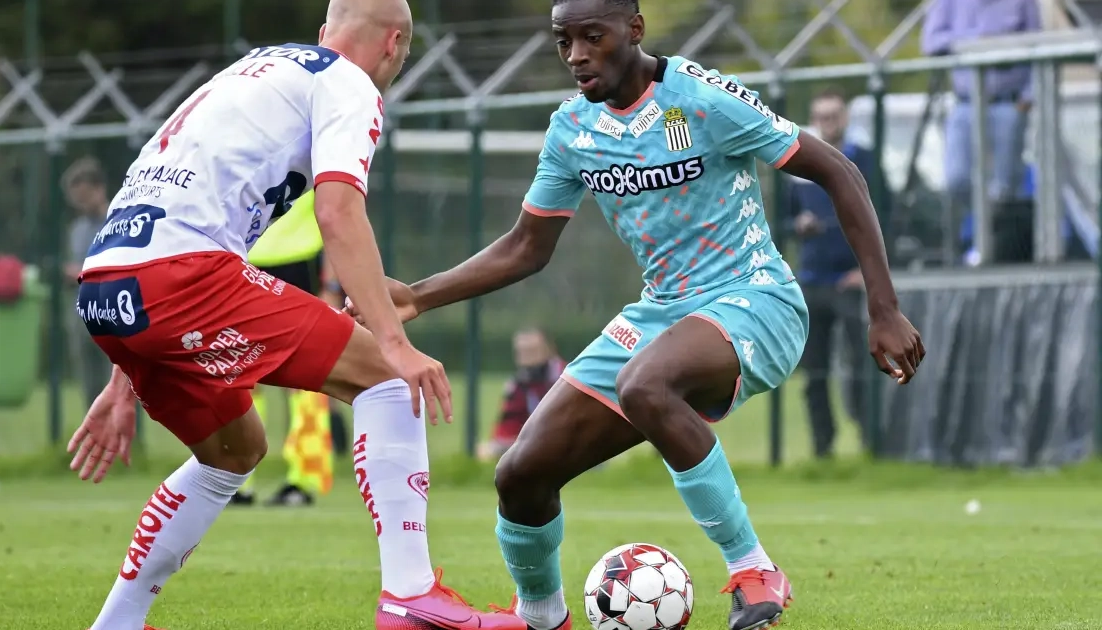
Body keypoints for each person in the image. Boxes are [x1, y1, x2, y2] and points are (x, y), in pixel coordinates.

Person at [346, 1, 925, 629]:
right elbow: (525, 248)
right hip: (661, 312)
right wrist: (418, 297)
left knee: (645, 383)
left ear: (635, 30)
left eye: (592, 37)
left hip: (756, 298)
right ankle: (540, 618)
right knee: (521, 473)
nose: (576, 56)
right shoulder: (572, 129)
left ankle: (754, 569)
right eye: (564, 41)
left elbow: (839, 171)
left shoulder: (701, 98)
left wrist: (884, 307)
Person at [67, 1, 523, 629]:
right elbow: (337, 211)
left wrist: (124, 378)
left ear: (324, 33)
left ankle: (116, 624)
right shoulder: (348, 82)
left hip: (107, 286)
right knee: (388, 379)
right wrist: (393, 342)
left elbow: (174, 206)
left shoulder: (251, 71)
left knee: (234, 451)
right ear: (394, 45)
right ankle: (410, 596)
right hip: (182, 276)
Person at [232, 189, 350, 506]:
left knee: (303, 378)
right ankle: (236, 479)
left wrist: (332, 284)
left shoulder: (312, 158)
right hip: (242, 262)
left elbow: (337, 210)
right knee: (240, 376)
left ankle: (304, 479)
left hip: (300, 262)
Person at [787, 88, 883, 458]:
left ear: (845, 118)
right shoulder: (799, 167)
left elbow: (884, 216)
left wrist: (864, 271)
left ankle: (870, 442)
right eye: (821, 117)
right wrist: (798, 224)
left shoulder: (864, 161)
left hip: (850, 280)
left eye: (834, 115)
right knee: (815, 372)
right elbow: (780, 218)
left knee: (862, 366)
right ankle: (822, 449)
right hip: (812, 280)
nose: (828, 123)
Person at [920, 0, 1041, 264]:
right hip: (965, 103)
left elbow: (1038, 45)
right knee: (956, 178)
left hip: (1008, 104)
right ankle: (981, 238)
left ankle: (997, 251)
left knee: (1005, 188)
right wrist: (976, 41)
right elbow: (931, 42)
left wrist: (1028, 97)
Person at [62, 156, 115, 413]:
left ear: (99, 189)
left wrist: (84, 272)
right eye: (76, 200)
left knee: (115, 380)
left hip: (113, 314)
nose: (81, 204)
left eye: (84, 197)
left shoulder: (118, 220)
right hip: (82, 315)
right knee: (88, 383)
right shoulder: (77, 229)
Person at [480, 328, 566, 460]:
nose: (527, 359)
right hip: (533, 443)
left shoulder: (567, 377)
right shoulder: (517, 385)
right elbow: (506, 431)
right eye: (522, 353)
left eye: (533, 351)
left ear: (550, 350)